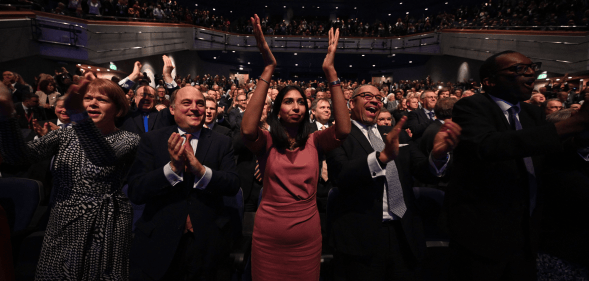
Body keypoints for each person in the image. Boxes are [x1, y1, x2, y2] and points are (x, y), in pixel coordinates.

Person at [447, 50, 589, 280]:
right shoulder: (472, 106)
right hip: (485, 235)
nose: (531, 72)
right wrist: (574, 123)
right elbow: (491, 146)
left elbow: (548, 153)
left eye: (532, 66)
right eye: (518, 69)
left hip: (528, 232)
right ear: (489, 81)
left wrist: (582, 137)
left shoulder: (532, 113)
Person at [241, 16, 350, 281]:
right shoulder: (266, 141)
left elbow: (344, 129)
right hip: (268, 238)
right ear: (278, 111)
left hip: (307, 241)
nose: (296, 106)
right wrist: (268, 66)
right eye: (288, 102)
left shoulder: (314, 141)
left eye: (300, 102)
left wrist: (330, 72)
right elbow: (247, 130)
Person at [0, 73, 139, 279]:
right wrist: (7, 114)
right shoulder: (64, 134)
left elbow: (103, 157)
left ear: (118, 109)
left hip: (105, 224)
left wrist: (79, 117)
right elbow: (18, 157)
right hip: (63, 222)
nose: (92, 104)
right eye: (88, 99)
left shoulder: (129, 139)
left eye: (102, 99)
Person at [127, 85, 240, 280]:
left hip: (207, 243)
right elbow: (136, 191)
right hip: (159, 242)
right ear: (171, 109)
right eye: (186, 103)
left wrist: (201, 171)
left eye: (200, 104)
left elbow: (232, 184)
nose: (194, 108)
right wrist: (172, 169)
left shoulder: (222, 142)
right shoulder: (151, 140)